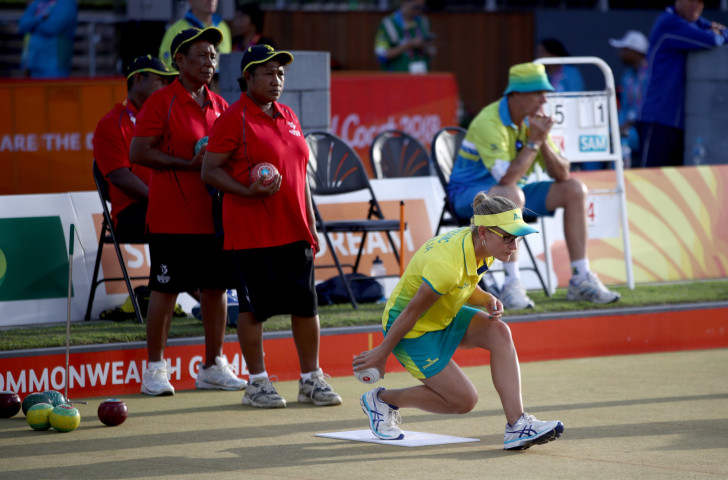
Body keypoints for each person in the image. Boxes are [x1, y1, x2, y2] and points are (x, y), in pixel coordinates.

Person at [353, 193, 564, 450]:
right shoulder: (446, 265)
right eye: (508, 238)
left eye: (516, 238)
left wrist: (484, 297)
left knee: (499, 331)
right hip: (412, 329)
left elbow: (461, 285)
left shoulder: (481, 246)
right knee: (464, 401)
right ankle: (382, 400)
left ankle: (517, 425)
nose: (514, 246)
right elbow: (411, 313)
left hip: (443, 315)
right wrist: (381, 353)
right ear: (484, 232)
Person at [201, 44, 342, 409]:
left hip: (294, 230)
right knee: (253, 310)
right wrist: (247, 190)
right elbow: (210, 171)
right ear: (247, 77)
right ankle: (257, 383)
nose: (277, 79)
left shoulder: (289, 115)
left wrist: (311, 226)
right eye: (268, 73)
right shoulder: (232, 119)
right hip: (251, 233)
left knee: (307, 307)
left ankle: (311, 379)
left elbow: (300, 177)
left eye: (280, 73)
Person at [130, 27, 246, 396]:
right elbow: (138, 154)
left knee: (216, 290)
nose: (210, 62)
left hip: (213, 216)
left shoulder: (222, 106)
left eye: (213, 55)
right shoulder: (160, 102)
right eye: (201, 55)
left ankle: (213, 366)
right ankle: (155, 369)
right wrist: (189, 164)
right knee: (165, 291)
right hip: (171, 216)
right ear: (179, 61)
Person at [448, 62, 620, 310]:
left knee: (574, 189)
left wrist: (544, 143)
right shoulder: (489, 121)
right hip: (470, 197)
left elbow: (562, 174)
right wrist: (534, 142)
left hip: (514, 192)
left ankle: (581, 278)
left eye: (546, 92)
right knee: (511, 193)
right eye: (538, 93)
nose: (544, 100)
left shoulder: (533, 121)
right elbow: (506, 179)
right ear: (516, 96)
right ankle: (511, 283)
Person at [93, 55, 177, 242]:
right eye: (160, 80)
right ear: (138, 79)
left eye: (167, 82)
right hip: (133, 212)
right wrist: (164, 202)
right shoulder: (111, 124)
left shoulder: (167, 119)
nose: (165, 87)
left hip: (169, 204)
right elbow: (120, 176)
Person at [637, 0, 727, 168]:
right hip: (657, 120)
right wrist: (720, 35)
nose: (696, 7)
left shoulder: (692, 21)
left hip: (677, 123)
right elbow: (710, 39)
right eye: (691, 1)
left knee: (676, 184)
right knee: (651, 181)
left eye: (700, 3)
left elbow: (721, 31)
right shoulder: (668, 22)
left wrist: (721, 33)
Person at [608, 30, 649, 169]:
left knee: (619, 141)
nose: (620, 54)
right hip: (625, 126)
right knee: (596, 140)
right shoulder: (627, 75)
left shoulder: (651, 74)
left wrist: (625, 126)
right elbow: (625, 107)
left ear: (635, 51)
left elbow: (649, 107)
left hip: (642, 128)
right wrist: (616, 126)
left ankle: (620, 182)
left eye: (624, 50)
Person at [159, 0, 232, 71]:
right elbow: (166, 68)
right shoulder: (175, 30)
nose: (211, 0)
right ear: (190, 1)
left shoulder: (223, 27)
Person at [18, 0, 77, 78]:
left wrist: (31, 25)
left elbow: (51, 27)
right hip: (32, 63)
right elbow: (22, 26)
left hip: (55, 66)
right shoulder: (38, 2)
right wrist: (42, 18)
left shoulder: (67, 3)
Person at [374, 0, 436, 74]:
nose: (419, 11)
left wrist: (429, 49)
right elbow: (381, 56)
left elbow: (430, 52)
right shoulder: (388, 23)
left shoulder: (423, 21)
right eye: (416, 7)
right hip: (397, 76)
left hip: (421, 74)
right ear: (404, 2)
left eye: (422, 7)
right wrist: (409, 45)